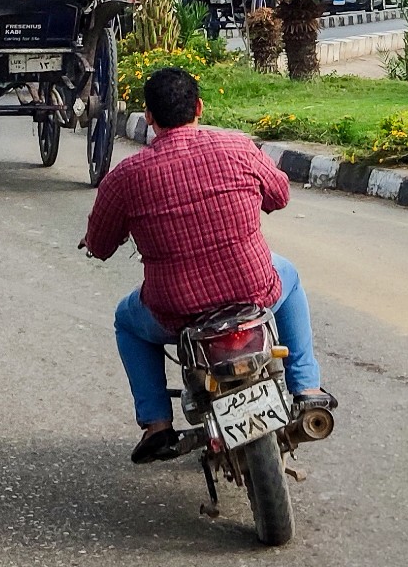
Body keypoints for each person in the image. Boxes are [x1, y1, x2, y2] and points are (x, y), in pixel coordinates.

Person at [79, 66, 334, 464]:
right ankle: (307, 389)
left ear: (149, 117)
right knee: (290, 276)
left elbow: (100, 245)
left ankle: (158, 425)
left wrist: (98, 239)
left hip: (175, 312)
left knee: (126, 321)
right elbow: (280, 195)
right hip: (254, 289)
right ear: (199, 107)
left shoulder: (125, 177)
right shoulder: (237, 146)